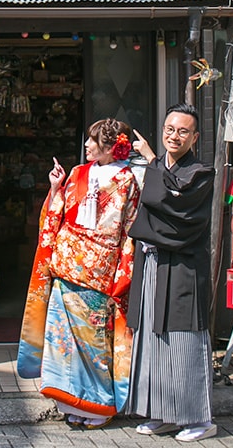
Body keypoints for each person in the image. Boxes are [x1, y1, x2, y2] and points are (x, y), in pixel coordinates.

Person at [17, 118, 140, 429]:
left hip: (100, 270)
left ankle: (98, 405)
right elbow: (55, 213)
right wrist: (56, 186)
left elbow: (129, 232)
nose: (86, 145)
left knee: (94, 341)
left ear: (112, 147)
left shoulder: (127, 181)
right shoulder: (76, 173)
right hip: (66, 266)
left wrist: (123, 274)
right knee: (63, 342)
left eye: (93, 141)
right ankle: (70, 400)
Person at [126, 102, 217, 442]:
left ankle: (199, 419)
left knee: (183, 341)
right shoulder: (158, 166)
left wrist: (150, 162)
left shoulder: (201, 173)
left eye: (182, 131)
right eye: (169, 129)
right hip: (152, 263)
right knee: (150, 337)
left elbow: (176, 207)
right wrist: (151, 165)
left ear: (195, 136)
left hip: (183, 268)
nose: (173, 136)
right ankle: (160, 413)